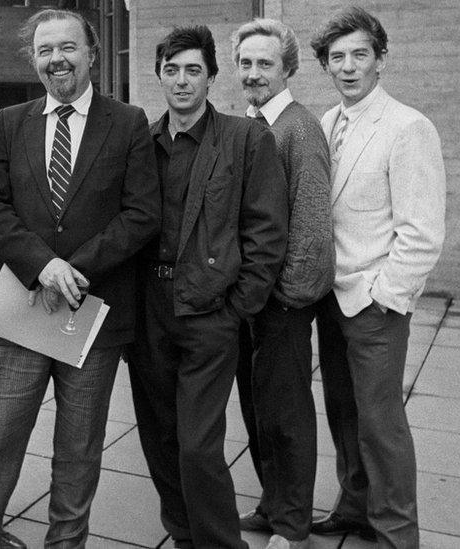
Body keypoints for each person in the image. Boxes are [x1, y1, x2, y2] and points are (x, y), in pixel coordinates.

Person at [0, 9, 160, 547]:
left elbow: (141, 214)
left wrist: (75, 269)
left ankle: (64, 543)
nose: (57, 59)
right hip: (23, 306)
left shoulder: (129, 122)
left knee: (79, 449)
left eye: (67, 47)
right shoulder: (11, 121)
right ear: (34, 59)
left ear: (91, 52)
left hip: (92, 313)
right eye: (45, 50)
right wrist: (42, 265)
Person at [126, 25, 288, 549]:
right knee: (161, 439)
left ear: (213, 77)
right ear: (158, 76)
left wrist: (237, 308)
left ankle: (220, 543)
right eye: (171, 70)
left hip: (210, 314)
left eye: (193, 69)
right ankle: (183, 534)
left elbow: (267, 233)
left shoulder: (245, 139)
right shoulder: (142, 143)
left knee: (198, 445)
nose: (180, 80)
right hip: (151, 310)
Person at [309, 7, 445, 547]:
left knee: (381, 424)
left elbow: (422, 232)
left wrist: (385, 297)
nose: (348, 67)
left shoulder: (408, 127)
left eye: (359, 54)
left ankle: (395, 533)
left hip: (373, 304)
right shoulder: (327, 121)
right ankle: (356, 507)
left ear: (381, 59)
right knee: (343, 413)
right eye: (337, 57)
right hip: (331, 297)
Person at [229, 18, 335, 549]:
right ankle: (274, 505)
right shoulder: (247, 124)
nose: (253, 73)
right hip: (250, 301)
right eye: (246, 63)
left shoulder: (299, 127)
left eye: (265, 63)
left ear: (287, 68)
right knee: (257, 410)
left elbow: (313, 225)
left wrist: (288, 298)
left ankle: (292, 526)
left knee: (287, 415)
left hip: (282, 306)